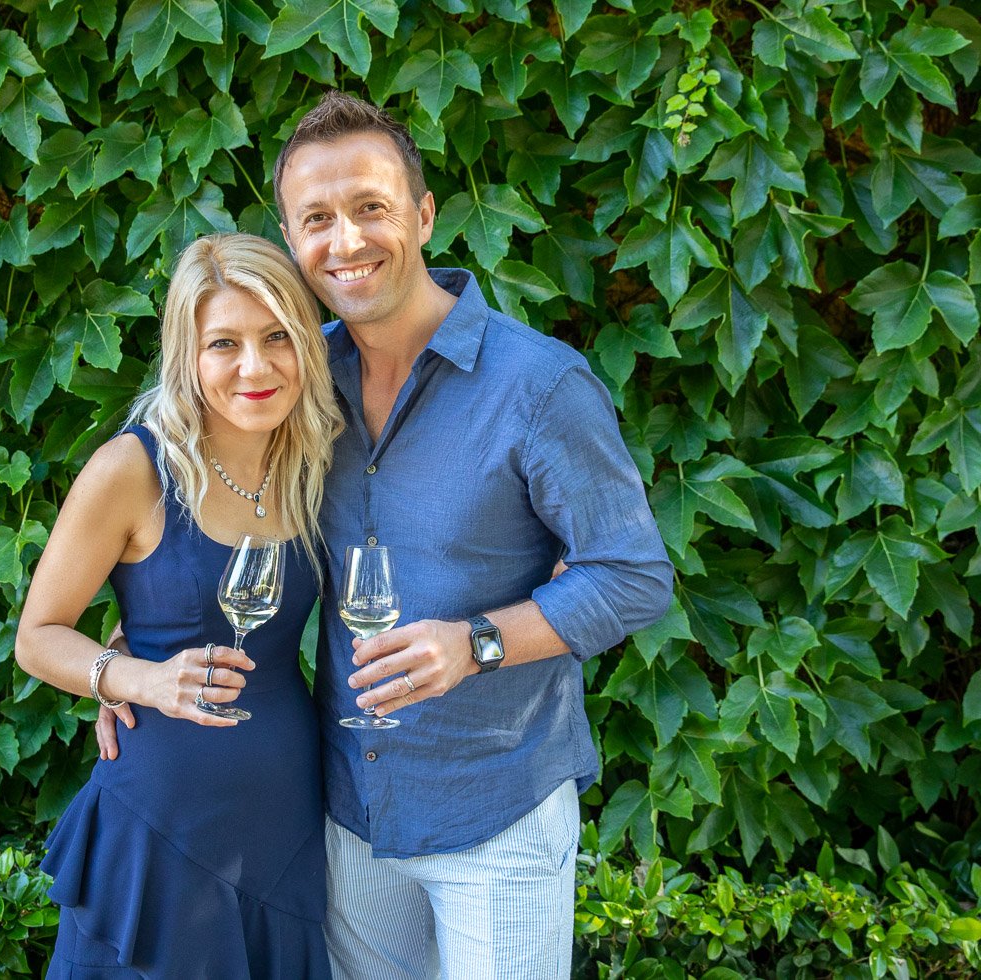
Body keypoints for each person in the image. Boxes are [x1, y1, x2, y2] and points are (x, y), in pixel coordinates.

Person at [273, 92, 674, 977]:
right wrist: (147, 640)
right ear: (292, 238)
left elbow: (633, 574)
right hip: (351, 804)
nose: (345, 241)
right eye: (317, 219)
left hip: (496, 806)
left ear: (421, 216)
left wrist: (476, 642)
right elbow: (222, 511)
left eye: (370, 207)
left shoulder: (538, 384)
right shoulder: (298, 383)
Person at [15, 232, 342, 978]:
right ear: (187, 358)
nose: (255, 367)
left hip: (286, 814)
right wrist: (136, 678)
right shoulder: (133, 469)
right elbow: (36, 636)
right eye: (223, 343)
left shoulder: (318, 459)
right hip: (161, 820)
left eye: (276, 338)